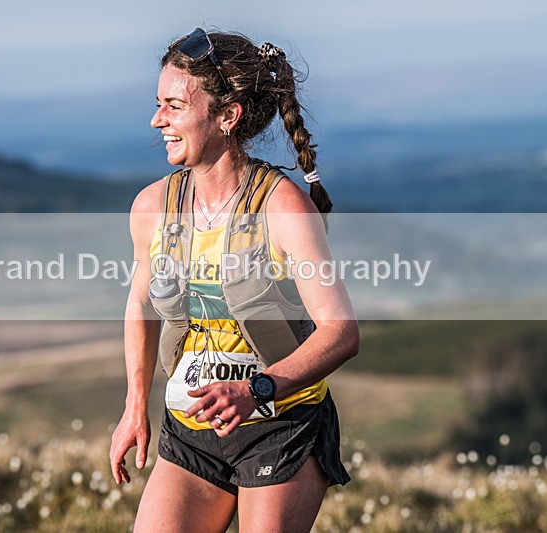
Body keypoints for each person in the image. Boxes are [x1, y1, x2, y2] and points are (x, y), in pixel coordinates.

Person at [110, 28, 360, 533]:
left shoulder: (283, 206)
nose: (159, 120)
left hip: (280, 427)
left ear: (227, 116)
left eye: (175, 106)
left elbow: (341, 333)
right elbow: (141, 307)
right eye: (159, 104)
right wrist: (135, 405)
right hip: (191, 428)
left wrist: (256, 389)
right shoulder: (152, 207)